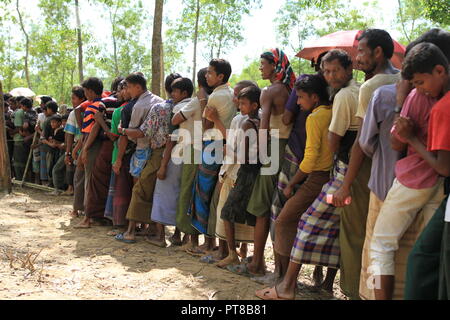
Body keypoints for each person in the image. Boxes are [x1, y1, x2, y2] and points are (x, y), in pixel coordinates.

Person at [361, 29, 450, 300]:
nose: (418, 84)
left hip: (414, 178)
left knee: (381, 246)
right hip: (440, 188)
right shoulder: (440, 94)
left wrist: (400, 110)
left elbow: (397, 142)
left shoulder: (415, 97)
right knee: (431, 254)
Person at [331, 29, 401, 299]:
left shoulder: (372, 87)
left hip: (368, 170)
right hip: (395, 173)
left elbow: (361, 141)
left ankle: (352, 290)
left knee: (355, 232)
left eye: (360, 51)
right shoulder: (402, 79)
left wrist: (345, 185)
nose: (356, 57)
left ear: (378, 52)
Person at [255, 73, 333, 300]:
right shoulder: (329, 112)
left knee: (283, 220)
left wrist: (292, 183)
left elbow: (310, 158)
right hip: (325, 175)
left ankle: (286, 282)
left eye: (300, 98)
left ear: (314, 97)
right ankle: (289, 281)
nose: (297, 102)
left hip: (314, 177)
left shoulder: (314, 118)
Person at [401, 29, 450, 300]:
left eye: (420, 83)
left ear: (440, 70)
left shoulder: (442, 108)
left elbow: (444, 167)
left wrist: (411, 138)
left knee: (421, 261)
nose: (418, 90)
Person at [238, 48, 296, 277]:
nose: (260, 67)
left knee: (262, 208)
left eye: (263, 63)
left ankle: (258, 263)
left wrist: (257, 157)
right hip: (289, 149)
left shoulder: (269, 92)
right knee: (277, 205)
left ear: (275, 66)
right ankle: (277, 266)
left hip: (272, 147)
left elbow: (263, 130)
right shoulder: (290, 89)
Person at [198, 80, 257, 265]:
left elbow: (234, 146)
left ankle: (228, 252)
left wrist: (215, 121)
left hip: (235, 171)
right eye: (236, 96)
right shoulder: (244, 118)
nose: (236, 99)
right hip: (236, 169)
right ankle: (235, 251)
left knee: (225, 210)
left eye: (240, 97)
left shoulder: (243, 120)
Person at [113, 73, 170, 243]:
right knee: (153, 191)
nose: (127, 91)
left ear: (137, 87)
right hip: (160, 151)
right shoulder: (159, 100)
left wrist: (122, 131)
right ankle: (150, 228)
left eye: (128, 87)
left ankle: (131, 231)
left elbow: (136, 133)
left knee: (137, 190)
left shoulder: (137, 106)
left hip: (142, 150)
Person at [187, 59, 235, 255]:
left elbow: (207, 125)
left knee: (203, 193)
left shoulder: (215, 96)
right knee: (214, 195)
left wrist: (202, 101)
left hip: (212, 146)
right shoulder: (231, 93)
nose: (206, 76)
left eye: (210, 73)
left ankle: (207, 242)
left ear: (220, 76)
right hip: (225, 146)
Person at [217, 85, 261, 268]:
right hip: (255, 173)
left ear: (254, 105)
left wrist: (228, 151)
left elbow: (244, 155)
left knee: (227, 213)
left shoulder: (246, 123)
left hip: (244, 173)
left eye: (243, 103)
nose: (240, 107)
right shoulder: (260, 121)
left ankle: (232, 254)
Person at [146, 77, 194, 248]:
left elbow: (171, 139)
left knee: (162, 192)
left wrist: (164, 164)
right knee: (183, 194)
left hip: (177, 154)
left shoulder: (179, 108)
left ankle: (160, 235)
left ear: (184, 93)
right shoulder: (198, 105)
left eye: (175, 91)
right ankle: (180, 235)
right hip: (193, 156)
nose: (171, 94)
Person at [172, 68, 214, 250]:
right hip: (208, 149)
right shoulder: (212, 100)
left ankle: (191, 238)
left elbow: (175, 119)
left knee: (187, 192)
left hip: (193, 148)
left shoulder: (197, 102)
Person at [66, 87, 88, 217]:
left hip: (81, 148)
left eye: (74, 98)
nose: (72, 101)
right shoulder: (75, 113)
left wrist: (70, 152)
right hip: (80, 147)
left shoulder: (77, 112)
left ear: (82, 99)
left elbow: (70, 135)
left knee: (79, 179)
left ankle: (77, 209)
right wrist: (67, 152)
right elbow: (69, 134)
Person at [42, 101, 60, 187]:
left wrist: (48, 143)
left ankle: (52, 183)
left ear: (49, 109)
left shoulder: (48, 120)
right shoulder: (59, 117)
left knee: (50, 166)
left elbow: (43, 136)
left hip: (51, 147)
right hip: (58, 147)